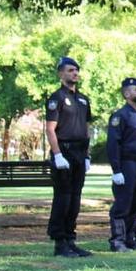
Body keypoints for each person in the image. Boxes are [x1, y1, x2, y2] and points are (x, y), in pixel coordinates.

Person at [45, 56, 93, 258]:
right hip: (63, 151)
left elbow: (87, 127)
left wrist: (87, 154)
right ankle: (59, 242)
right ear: (61, 73)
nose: (75, 73)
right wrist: (57, 154)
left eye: (76, 70)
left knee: (75, 199)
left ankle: (71, 239)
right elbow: (50, 129)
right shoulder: (56, 98)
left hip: (79, 153)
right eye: (70, 70)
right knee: (63, 198)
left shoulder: (83, 99)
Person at [106, 77, 136, 252]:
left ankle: (131, 237)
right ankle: (118, 240)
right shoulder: (120, 116)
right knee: (123, 203)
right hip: (126, 164)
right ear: (126, 93)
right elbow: (113, 144)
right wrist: (116, 170)